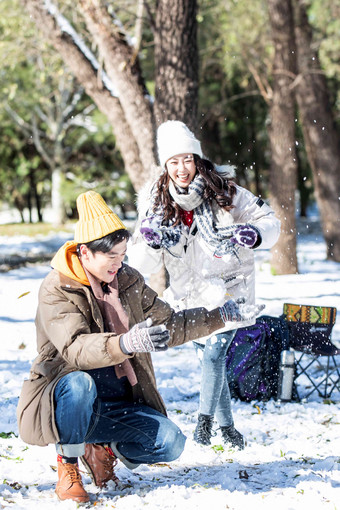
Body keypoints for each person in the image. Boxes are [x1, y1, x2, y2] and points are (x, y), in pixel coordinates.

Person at [16, 190, 261, 504]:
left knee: (170, 443)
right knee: (78, 384)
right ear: (85, 253)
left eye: (122, 254)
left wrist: (221, 316)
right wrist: (126, 342)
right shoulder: (58, 287)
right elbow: (75, 348)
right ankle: (68, 466)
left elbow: (170, 324)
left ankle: (101, 447)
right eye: (111, 257)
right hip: (66, 400)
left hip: (117, 401)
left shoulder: (128, 281)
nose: (119, 264)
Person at [128, 120, 281, 450]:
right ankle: (229, 429)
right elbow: (140, 265)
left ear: (197, 159)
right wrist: (151, 242)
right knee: (210, 363)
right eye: (173, 161)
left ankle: (204, 425)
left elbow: (270, 222)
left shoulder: (225, 191)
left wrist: (254, 235)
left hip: (231, 289)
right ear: (165, 166)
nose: (181, 168)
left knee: (214, 356)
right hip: (189, 297)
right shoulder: (155, 206)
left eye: (187, 159)